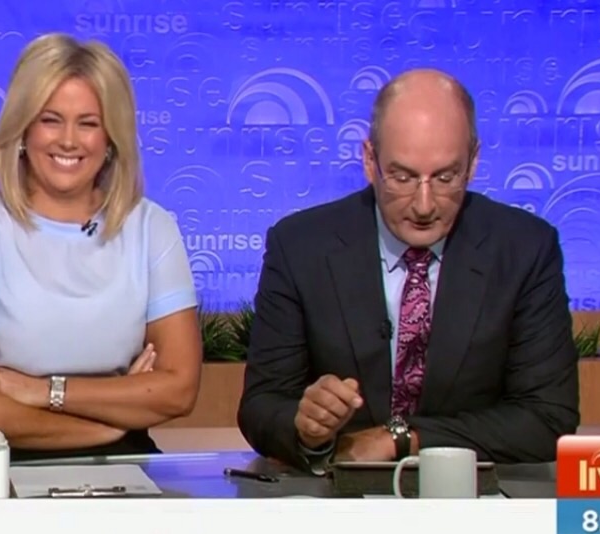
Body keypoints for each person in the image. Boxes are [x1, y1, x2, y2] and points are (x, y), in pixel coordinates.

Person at [237, 69, 580, 472]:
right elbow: (261, 407)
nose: (424, 205)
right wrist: (306, 427)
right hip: (334, 498)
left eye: (445, 177)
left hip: (475, 497)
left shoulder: (524, 249)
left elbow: (547, 418)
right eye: (402, 177)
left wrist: (401, 439)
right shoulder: (301, 247)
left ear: (473, 162)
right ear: (370, 161)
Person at [0, 33, 202, 466]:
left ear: (111, 138)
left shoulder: (152, 228)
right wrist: (109, 426)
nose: (68, 140)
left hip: (122, 463)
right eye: (51, 120)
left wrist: (43, 391)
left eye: (88, 123)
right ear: (23, 129)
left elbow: (179, 389)